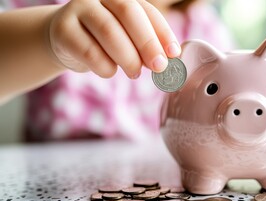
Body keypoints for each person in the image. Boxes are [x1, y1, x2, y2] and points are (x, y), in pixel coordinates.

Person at [0, 0, 234, 141]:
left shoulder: (206, 29)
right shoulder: (54, 5)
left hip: (157, 192)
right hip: (50, 194)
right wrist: (47, 38)